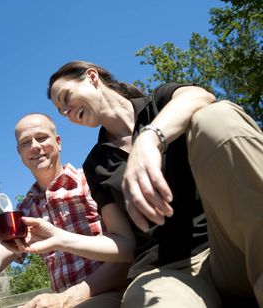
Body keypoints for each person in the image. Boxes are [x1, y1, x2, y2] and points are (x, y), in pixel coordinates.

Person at [46, 61, 263, 307]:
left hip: (226, 247)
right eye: (60, 110)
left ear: (92, 77)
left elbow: (200, 96)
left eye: (66, 98)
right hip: (166, 272)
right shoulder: (95, 164)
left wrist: (150, 139)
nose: (66, 111)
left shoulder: (161, 102)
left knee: (215, 115)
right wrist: (59, 238)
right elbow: (124, 241)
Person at [0, 113, 135, 307]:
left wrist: (68, 297)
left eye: (42, 138)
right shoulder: (25, 211)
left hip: (113, 293)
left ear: (58, 142)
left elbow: (128, 250)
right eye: (25, 143)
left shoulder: (91, 182)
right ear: (20, 153)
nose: (35, 147)